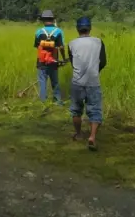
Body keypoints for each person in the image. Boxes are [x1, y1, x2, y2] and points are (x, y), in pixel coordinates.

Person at [67, 16, 107, 151]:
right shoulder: (98, 42)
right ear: (90, 28)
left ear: (77, 29)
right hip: (93, 81)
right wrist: (95, 70)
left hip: (77, 82)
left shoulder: (72, 44)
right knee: (95, 110)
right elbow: (103, 62)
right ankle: (92, 137)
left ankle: (78, 134)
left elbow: (73, 63)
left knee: (76, 110)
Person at [34, 10, 66, 104]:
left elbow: (37, 46)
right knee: (55, 82)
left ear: (43, 20)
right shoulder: (59, 31)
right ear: (53, 19)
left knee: (42, 82)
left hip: (41, 61)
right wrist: (63, 58)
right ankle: (58, 101)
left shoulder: (39, 32)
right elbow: (61, 47)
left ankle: (42, 102)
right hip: (53, 61)